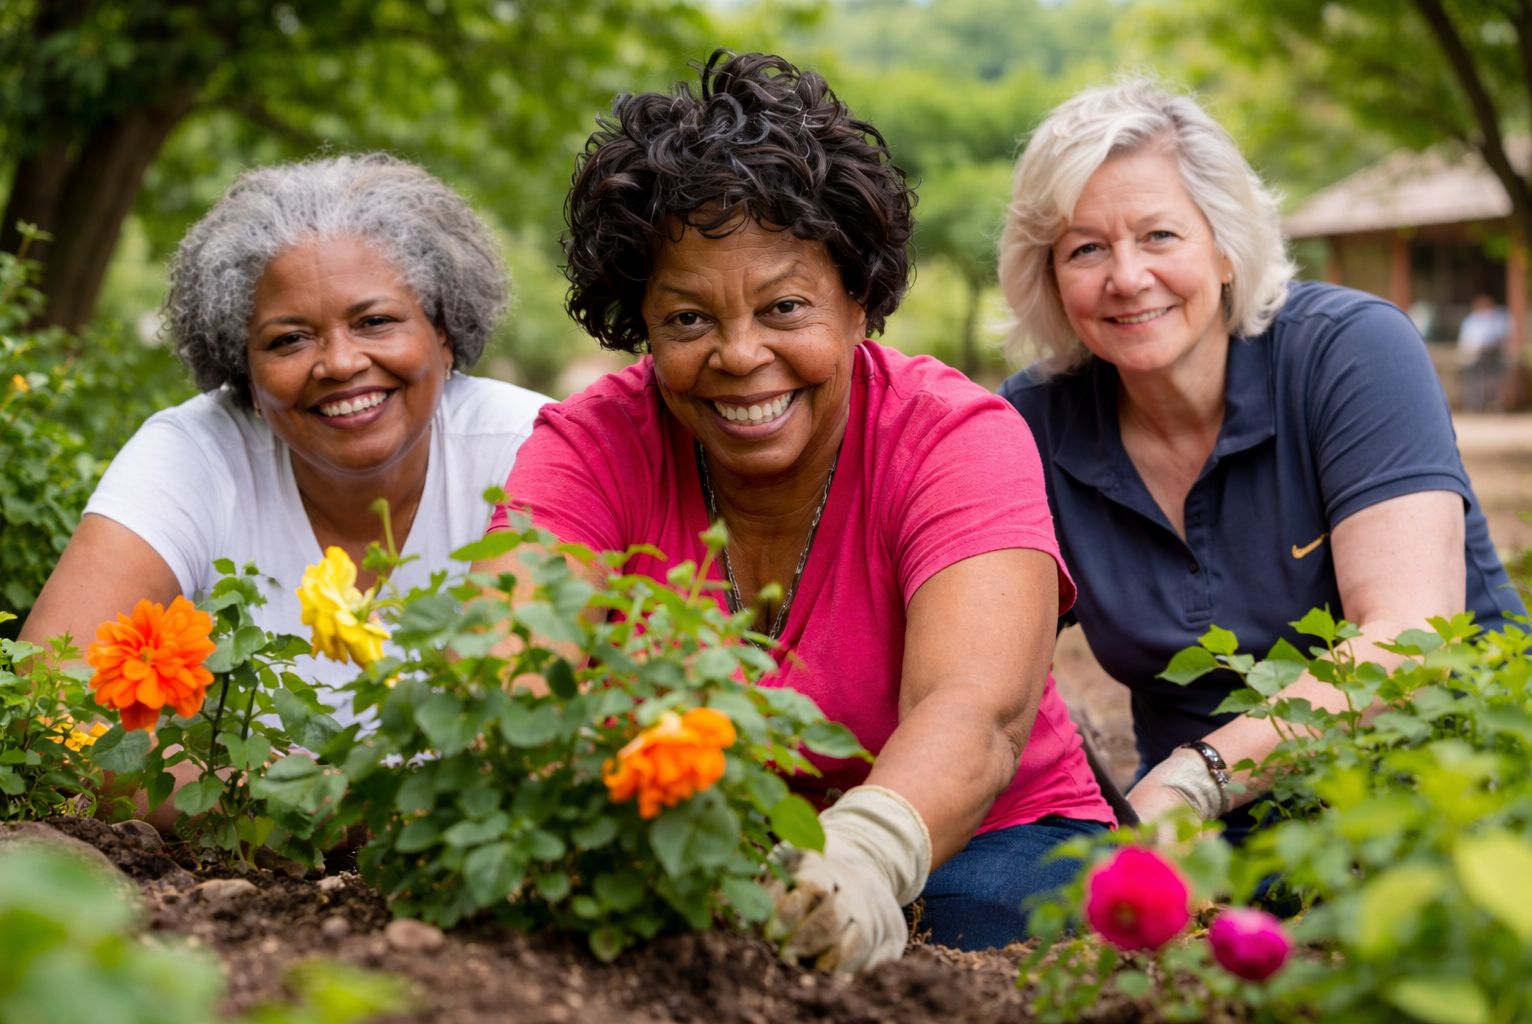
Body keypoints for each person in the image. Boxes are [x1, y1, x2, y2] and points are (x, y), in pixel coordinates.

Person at [477, 51, 1115, 967]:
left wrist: (860, 856)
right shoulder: (590, 448)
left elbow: (974, 708)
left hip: (977, 837)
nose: (740, 355)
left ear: (860, 302)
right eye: (688, 320)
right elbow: (514, 664)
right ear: (641, 326)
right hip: (696, 836)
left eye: (785, 307)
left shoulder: (955, 438)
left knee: (962, 935)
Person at [997, 82, 1524, 843]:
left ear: (1224, 247)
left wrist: (1186, 784)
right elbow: (982, 662)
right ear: (1048, 275)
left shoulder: (1351, 352)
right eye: (1086, 248)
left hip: (1449, 796)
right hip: (1217, 847)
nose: (1126, 276)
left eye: (1159, 236)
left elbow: (1409, 637)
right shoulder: (1034, 424)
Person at [23, 154, 550, 728]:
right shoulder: (191, 454)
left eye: (375, 322)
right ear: (242, 373)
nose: (342, 363)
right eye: (289, 340)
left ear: (443, 335)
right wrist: (286, 802)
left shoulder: (532, 445)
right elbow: (44, 699)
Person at [1458, 293, 1510, 412]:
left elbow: (1503, 337)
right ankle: (1475, 404)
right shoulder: (1471, 320)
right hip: (1475, 358)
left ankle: (1494, 404)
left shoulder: (1497, 319)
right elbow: (1466, 342)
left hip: (1494, 357)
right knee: (1475, 378)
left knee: (1495, 377)